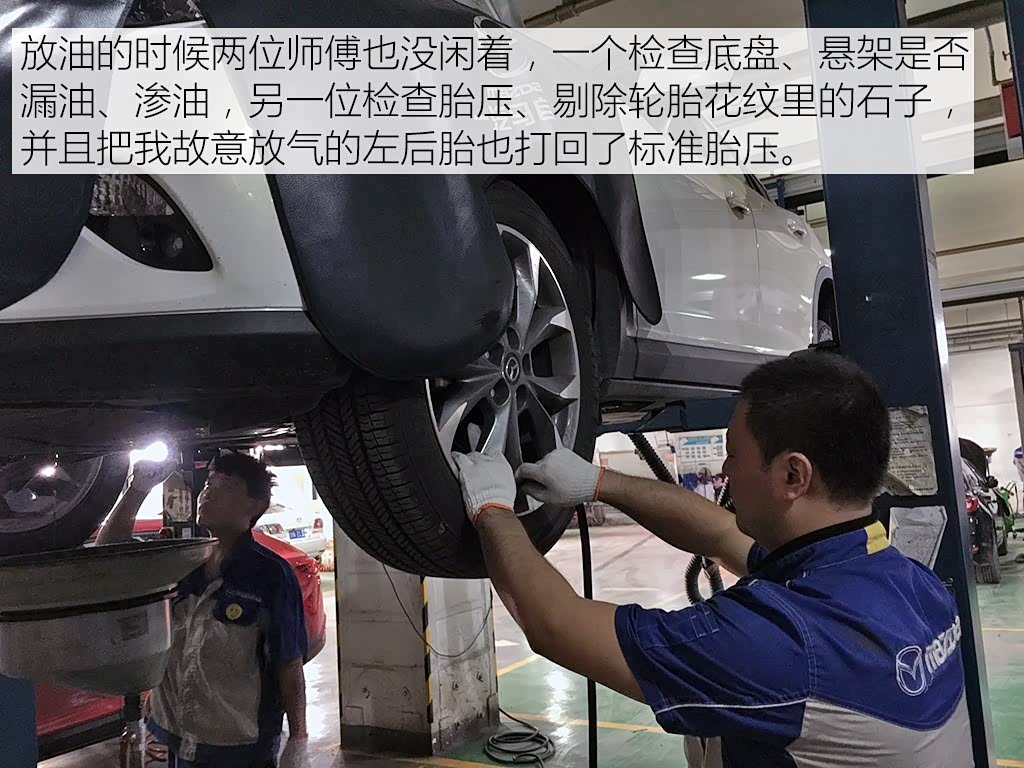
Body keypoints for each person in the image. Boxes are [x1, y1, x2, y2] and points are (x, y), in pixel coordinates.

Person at [453, 353, 971, 767]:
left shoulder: (782, 645)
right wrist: (597, 483)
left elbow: (555, 625)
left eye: (734, 454)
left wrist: (492, 508)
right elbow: (722, 533)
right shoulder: (907, 581)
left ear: (793, 476)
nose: (724, 469)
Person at [97, 452, 309, 768]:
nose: (208, 493)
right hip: (175, 737)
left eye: (225, 486)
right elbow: (107, 554)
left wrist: (298, 740)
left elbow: (288, 664)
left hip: (237, 750)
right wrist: (137, 489)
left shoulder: (271, 576)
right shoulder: (181, 561)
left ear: (254, 506)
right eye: (209, 484)